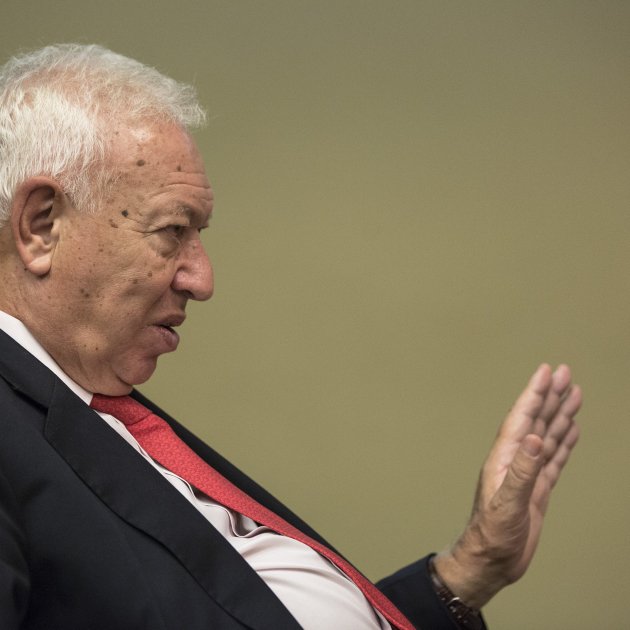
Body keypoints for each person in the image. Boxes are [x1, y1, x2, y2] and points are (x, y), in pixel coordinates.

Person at [0, 44, 581, 630]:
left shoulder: (102, 407)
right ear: (41, 225)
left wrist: (472, 568)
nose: (202, 279)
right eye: (173, 230)